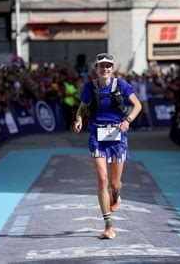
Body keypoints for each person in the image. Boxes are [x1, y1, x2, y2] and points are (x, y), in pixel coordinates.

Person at [73, 53, 142, 239]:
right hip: (97, 134)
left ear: (112, 68)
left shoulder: (121, 85)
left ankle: (117, 193)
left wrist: (128, 120)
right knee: (102, 180)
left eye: (108, 66)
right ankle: (108, 225)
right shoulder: (90, 87)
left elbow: (137, 105)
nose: (105, 69)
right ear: (96, 68)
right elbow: (82, 107)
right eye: (102, 66)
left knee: (114, 183)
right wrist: (79, 119)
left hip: (117, 136)